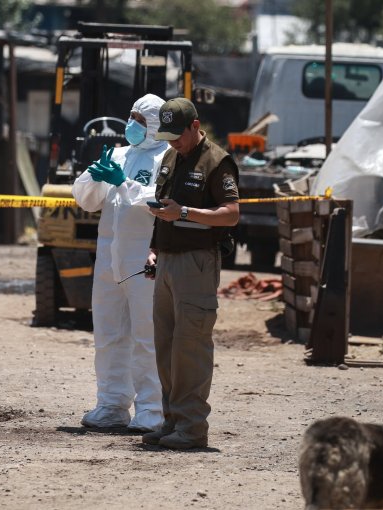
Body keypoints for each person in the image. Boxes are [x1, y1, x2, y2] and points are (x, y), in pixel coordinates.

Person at [141, 97, 240, 449]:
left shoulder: (217, 161)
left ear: (195, 126)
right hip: (167, 261)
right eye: (167, 137)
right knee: (166, 347)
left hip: (197, 263)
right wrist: (154, 250)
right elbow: (163, 210)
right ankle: (172, 421)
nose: (172, 143)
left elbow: (231, 214)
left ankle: (192, 427)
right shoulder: (171, 157)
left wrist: (183, 213)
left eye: (177, 136)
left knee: (190, 347)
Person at [73, 94, 170, 432]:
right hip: (109, 260)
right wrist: (94, 177)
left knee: (147, 336)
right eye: (131, 116)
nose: (132, 124)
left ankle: (152, 410)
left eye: (141, 120)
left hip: (144, 260)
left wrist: (123, 183)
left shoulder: (167, 158)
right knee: (109, 335)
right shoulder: (117, 154)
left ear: (156, 125)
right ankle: (112, 404)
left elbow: (160, 200)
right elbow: (86, 200)